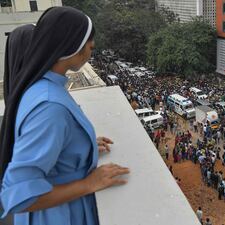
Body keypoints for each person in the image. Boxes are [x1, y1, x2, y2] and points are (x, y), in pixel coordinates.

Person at [0, 7, 129, 225]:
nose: (91, 50)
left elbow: (51, 143)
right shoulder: (50, 106)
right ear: (74, 47)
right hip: (58, 215)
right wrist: (88, 184)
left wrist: (80, 146)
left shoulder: (43, 87)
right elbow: (18, 194)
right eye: (89, 45)